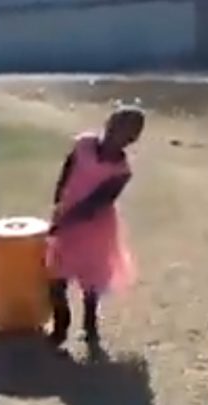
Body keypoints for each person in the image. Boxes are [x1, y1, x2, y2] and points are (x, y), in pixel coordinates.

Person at [45, 104, 144, 349]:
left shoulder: (122, 170)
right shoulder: (84, 144)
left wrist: (64, 221)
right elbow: (66, 173)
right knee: (56, 276)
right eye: (115, 126)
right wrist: (58, 204)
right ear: (107, 124)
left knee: (91, 280)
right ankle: (61, 323)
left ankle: (90, 325)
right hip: (67, 213)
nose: (116, 135)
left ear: (131, 139)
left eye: (125, 132)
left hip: (95, 226)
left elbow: (97, 202)